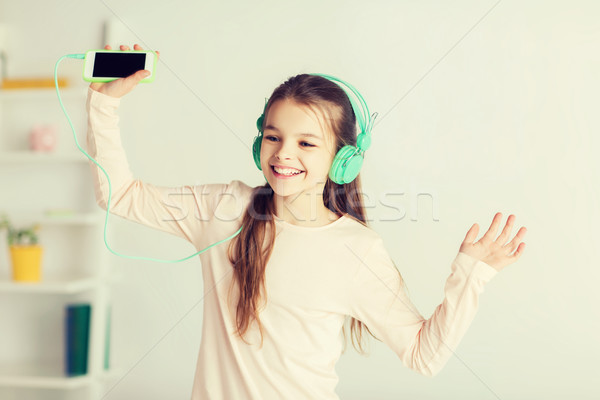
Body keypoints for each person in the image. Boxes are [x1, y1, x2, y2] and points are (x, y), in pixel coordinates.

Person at [87, 44, 527, 400]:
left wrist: (471, 274)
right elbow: (120, 196)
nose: (283, 154)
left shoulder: (357, 250)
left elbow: (423, 355)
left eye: (306, 143)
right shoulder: (224, 208)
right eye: (274, 137)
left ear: (344, 158)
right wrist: (104, 105)